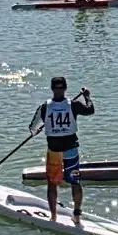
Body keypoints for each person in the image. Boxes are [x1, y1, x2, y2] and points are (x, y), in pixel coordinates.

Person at [31, 77, 95, 222]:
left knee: (52, 184)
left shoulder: (44, 107)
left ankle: (53, 217)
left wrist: (40, 128)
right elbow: (90, 110)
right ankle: (77, 216)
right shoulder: (74, 105)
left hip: (54, 151)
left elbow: (33, 129)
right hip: (71, 150)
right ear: (65, 88)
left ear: (52, 89)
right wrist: (87, 97)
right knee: (75, 182)